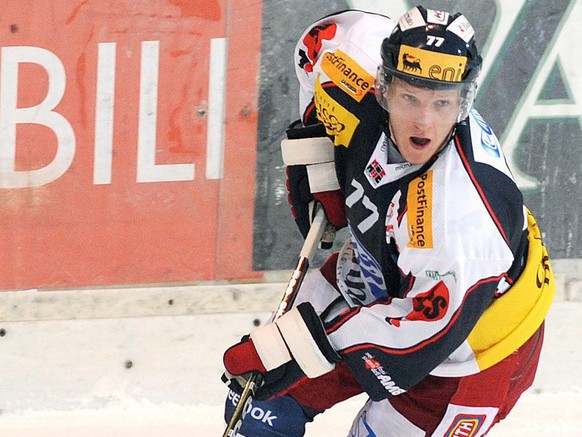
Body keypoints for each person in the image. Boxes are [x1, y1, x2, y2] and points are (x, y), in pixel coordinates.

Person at [222, 6, 555, 436]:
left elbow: (417, 336)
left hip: (472, 349)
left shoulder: (463, 214)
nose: (424, 120)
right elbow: (318, 44)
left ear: (464, 102)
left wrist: (291, 346)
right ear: (382, 85)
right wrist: (320, 149)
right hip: (383, 269)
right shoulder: (356, 56)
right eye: (409, 96)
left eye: (442, 103)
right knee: (257, 404)